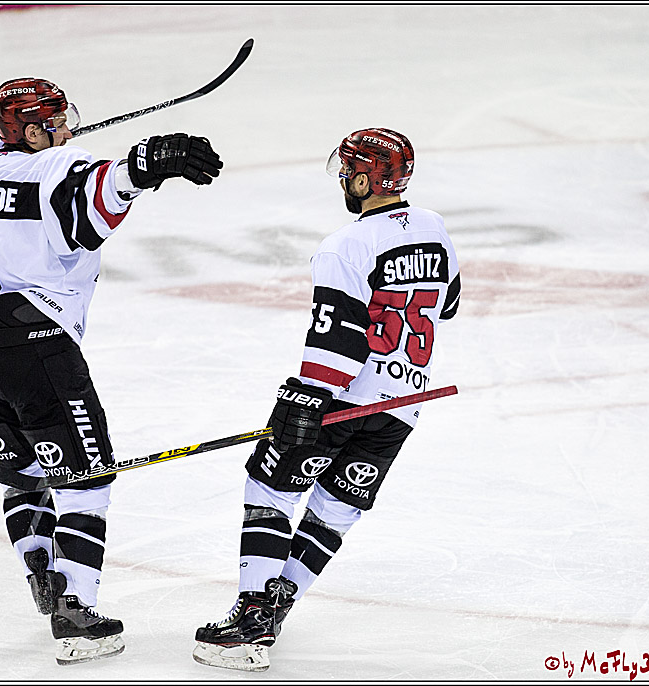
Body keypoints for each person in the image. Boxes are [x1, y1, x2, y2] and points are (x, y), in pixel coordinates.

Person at [0, 77, 223, 665]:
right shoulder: (57, 169)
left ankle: (42, 573)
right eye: (58, 119)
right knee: (85, 477)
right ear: (36, 129)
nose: (70, 125)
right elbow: (100, 192)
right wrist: (153, 161)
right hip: (35, 347)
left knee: (24, 471)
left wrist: (40, 146)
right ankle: (74, 609)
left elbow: (22, 174)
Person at [192, 128, 460, 672]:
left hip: (344, 399)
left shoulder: (345, 245)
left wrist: (307, 398)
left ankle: (251, 621)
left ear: (364, 178)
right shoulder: (435, 228)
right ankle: (278, 600)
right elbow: (447, 303)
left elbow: (339, 337)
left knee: (269, 487)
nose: (343, 178)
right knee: (337, 506)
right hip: (402, 403)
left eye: (348, 170)